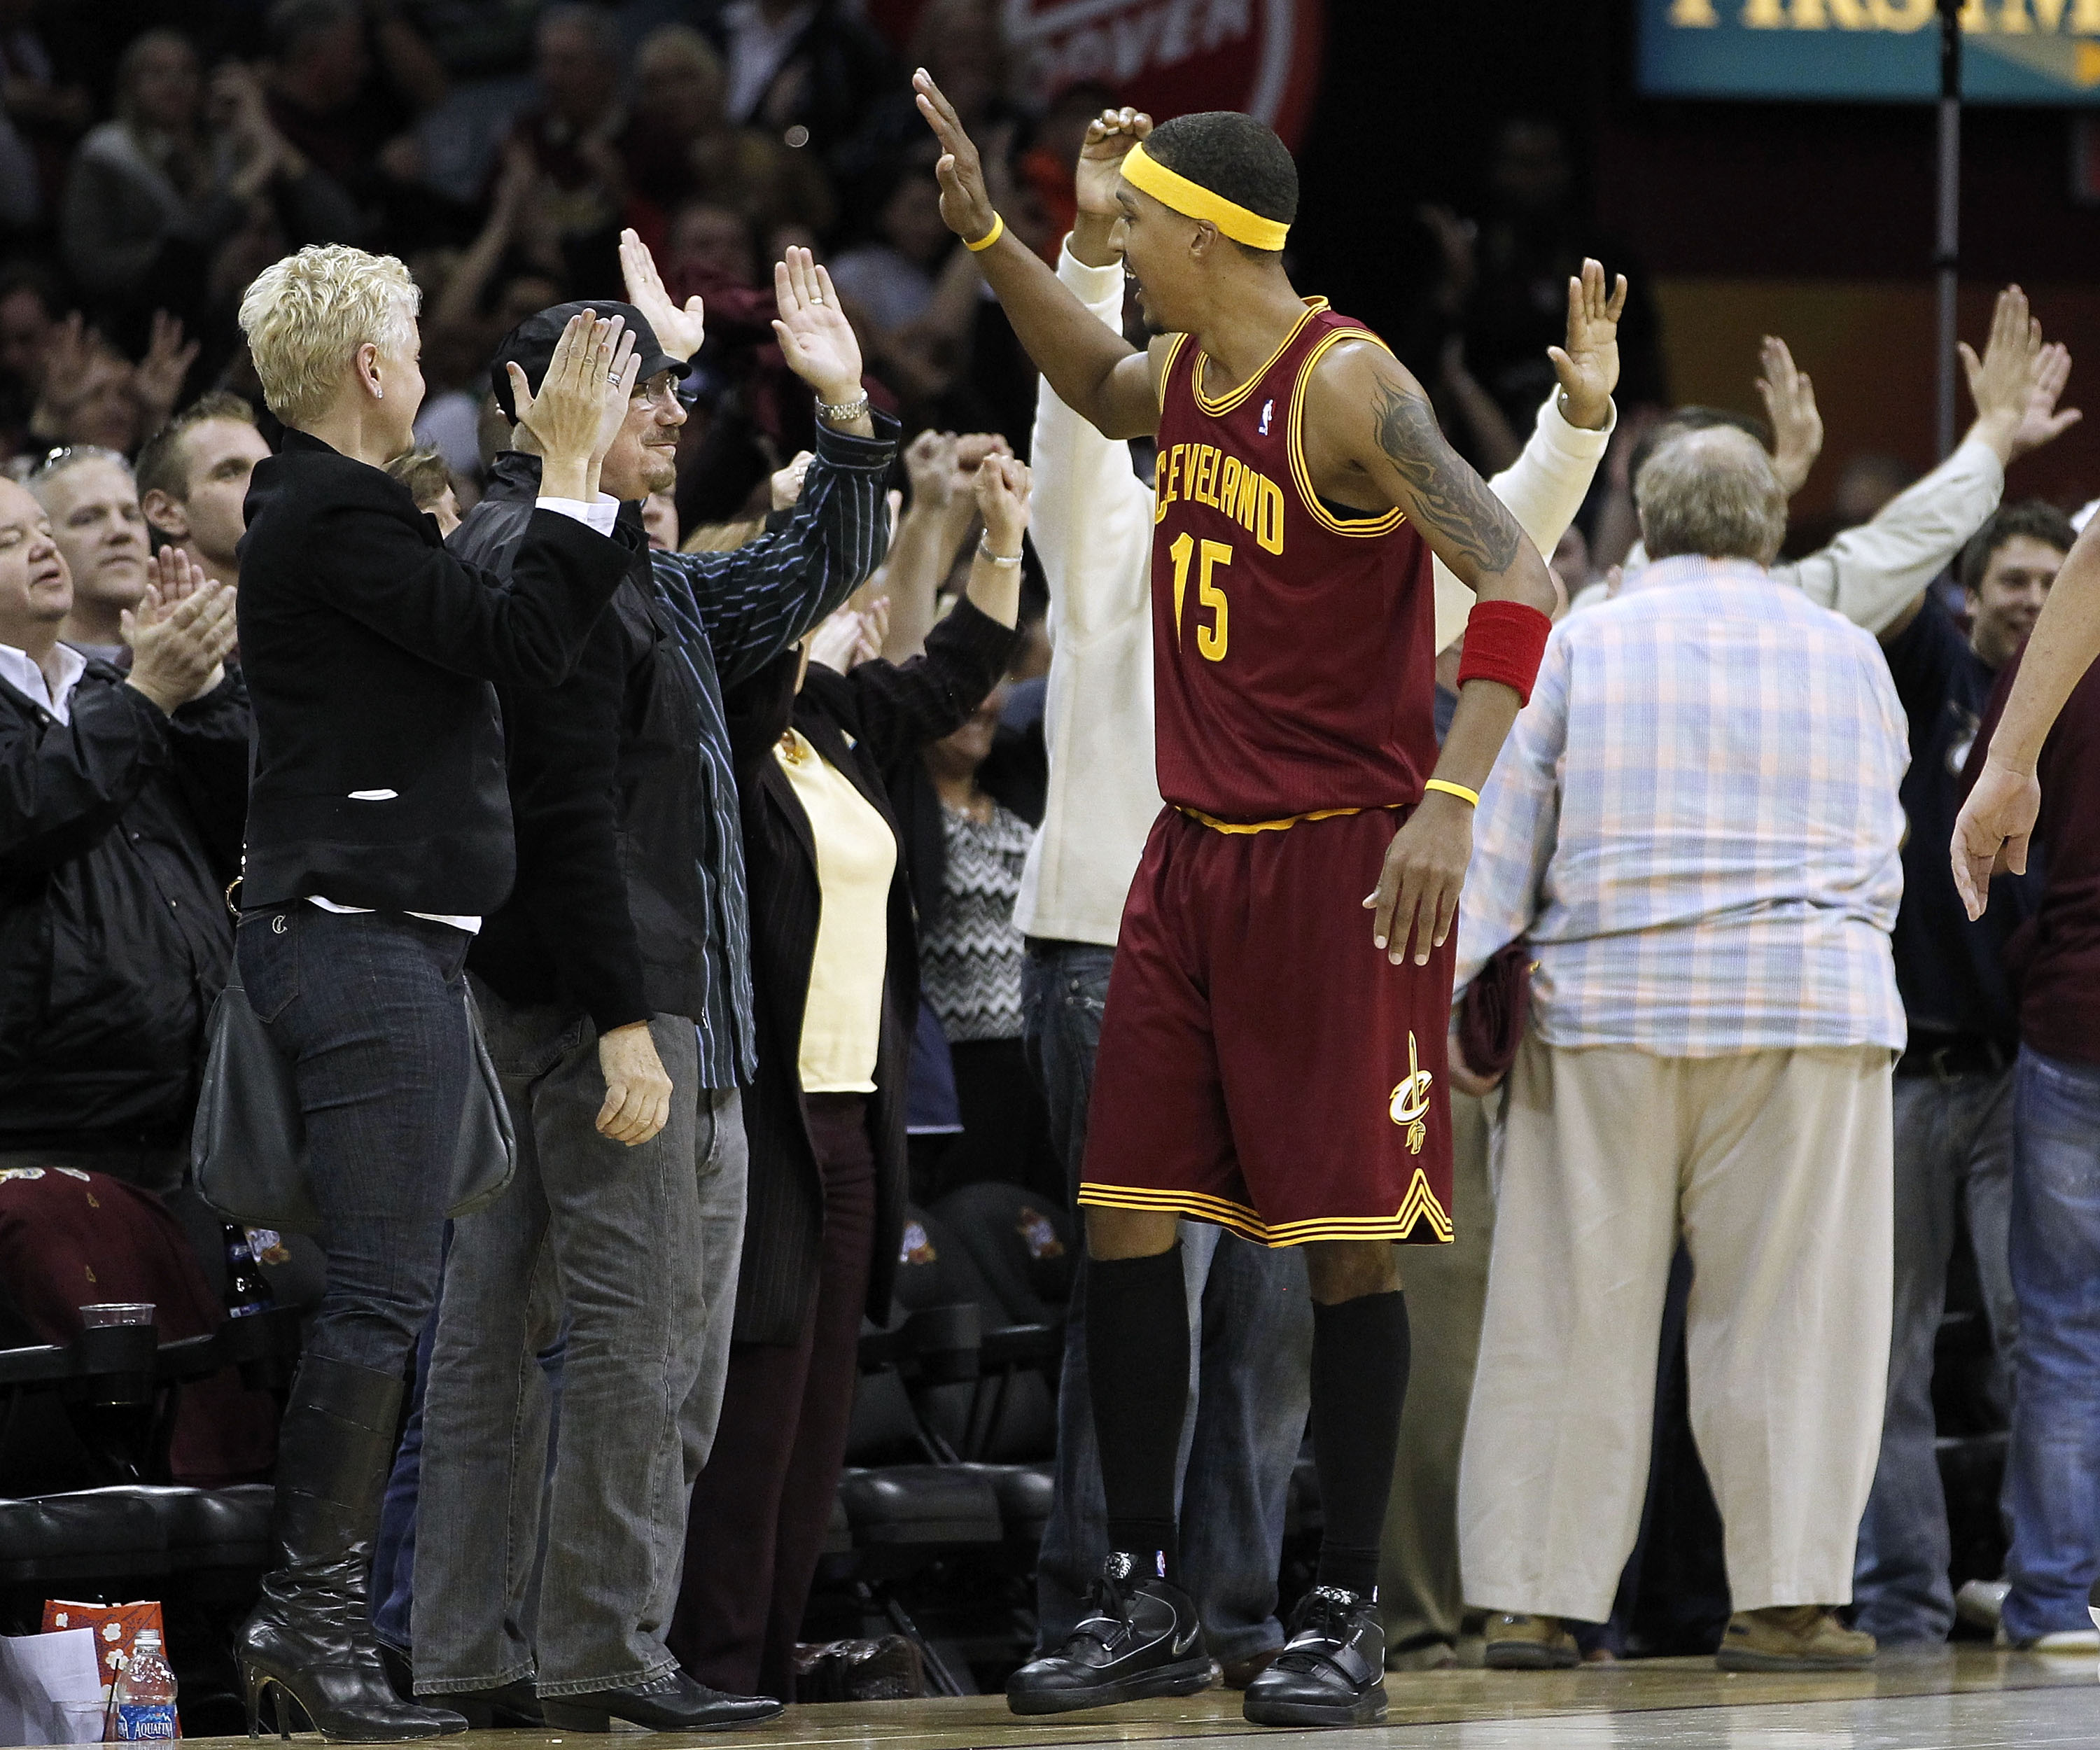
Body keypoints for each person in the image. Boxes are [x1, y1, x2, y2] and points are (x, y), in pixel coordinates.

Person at [916, 83, 1560, 1726]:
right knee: (1128, 1223)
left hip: (1343, 864)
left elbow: (1518, 577)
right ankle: (1140, 1593)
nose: (1118, 239)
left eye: (1135, 221)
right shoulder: (1187, 371)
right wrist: (993, 234)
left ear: (1203, 235)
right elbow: (1086, 369)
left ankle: (1337, 1609)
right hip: (1187, 858)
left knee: (1343, 1253)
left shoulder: (1348, 387)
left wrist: (1450, 795)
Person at [411, 244, 892, 1732]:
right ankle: (599, 1647)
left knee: (532, 1339)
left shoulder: (637, 577)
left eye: (673, 387)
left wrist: (845, 418)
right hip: (604, 1010)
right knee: (631, 1343)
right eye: (630, 387)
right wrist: (626, 1021)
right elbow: (559, 811)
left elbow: (803, 570)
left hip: (656, 1008)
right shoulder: (518, 557)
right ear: (524, 405)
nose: (670, 413)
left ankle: (497, 1649)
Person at [230, 243, 633, 1742]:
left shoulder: (346, 512)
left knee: (395, 1293)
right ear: (372, 369)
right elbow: (522, 645)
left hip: (386, 932)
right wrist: (574, 473)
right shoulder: (331, 513)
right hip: (358, 934)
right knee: (388, 1295)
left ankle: (308, 1623)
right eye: (409, 337)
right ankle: (312, 1620)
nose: (425, 366)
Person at [1451, 426, 1907, 1674]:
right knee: (1797, 1321)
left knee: (1565, 1311)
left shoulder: (1582, 641)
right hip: (1809, 1011)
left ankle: (1534, 1604)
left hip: (1609, 1015)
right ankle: (1790, 1603)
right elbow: (1883, 840)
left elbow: (1499, 839)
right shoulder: (1851, 652)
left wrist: (1447, 1002)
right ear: (1770, 526)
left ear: (1644, 517)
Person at [673, 455, 1030, 1704]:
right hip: (761, 1114)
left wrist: (1002, 534)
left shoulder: (838, 727)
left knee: (817, 1425)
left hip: (853, 1123)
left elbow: (956, 673)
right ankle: (713, 1671)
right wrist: (802, 523)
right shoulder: (722, 729)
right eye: (823, 605)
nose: (859, 614)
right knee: (753, 1421)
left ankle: (766, 1666)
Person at [1854, 488, 2075, 1641]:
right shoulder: (1930, 670)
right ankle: (1901, 1600)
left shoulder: (2072, 708)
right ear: (1972, 596)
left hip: (2019, 1078)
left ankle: (2056, 1583)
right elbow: (1899, 575)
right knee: (1886, 1361)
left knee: (2043, 1341)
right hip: (1902, 1071)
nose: (2033, 599)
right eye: (2013, 581)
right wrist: (1983, 456)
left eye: (2052, 580)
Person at [0, 494, 243, 1193]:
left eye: (44, 531)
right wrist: (150, 692)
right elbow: (34, 809)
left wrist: (204, 690)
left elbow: (242, 816)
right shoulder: (131, 694)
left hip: (196, 1104)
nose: (43, 548)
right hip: (47, 1118)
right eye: (9, 541)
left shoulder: (108, 687)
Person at [1952, 510, 2100, 1652]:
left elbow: (1989, 821)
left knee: (2060, 1331)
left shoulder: (2057, 662)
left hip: (2074, 1015)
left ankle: (2054, 1599)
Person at [136, 392, 274, 588]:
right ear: (166, 513)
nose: (266, 482)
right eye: (230, 472)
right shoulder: (134, 618)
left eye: (269, 468)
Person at [31, 446, 150, 664]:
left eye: (131, 516)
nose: (120, 531)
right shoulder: (28, 678)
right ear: (42, 544)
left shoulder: (206, 654)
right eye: (87, 519)